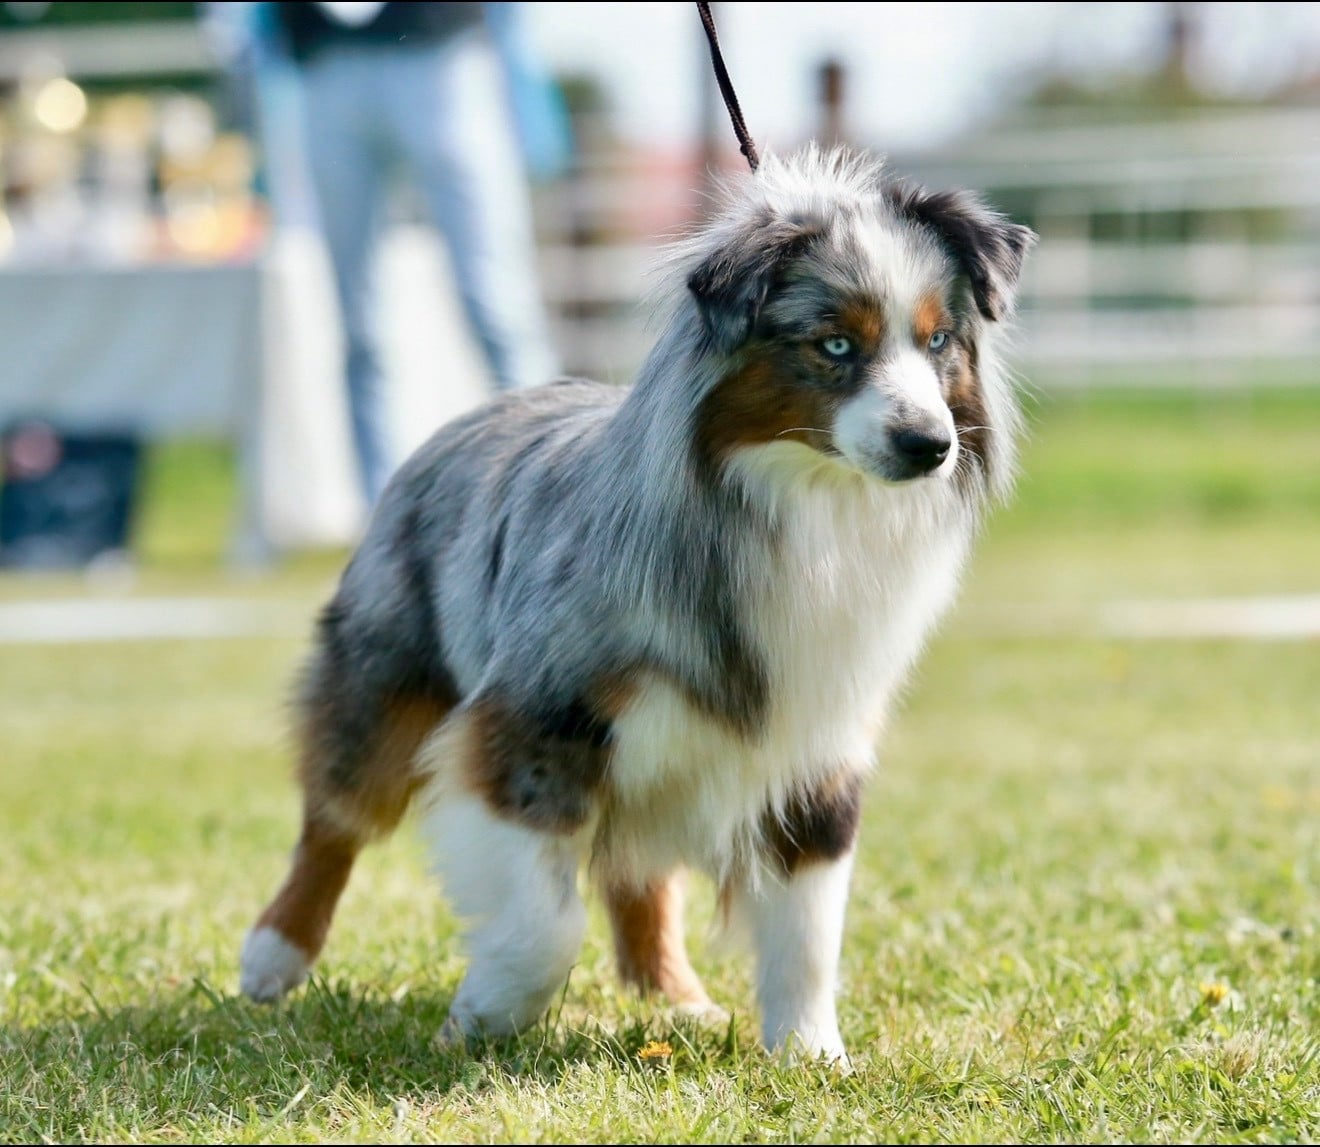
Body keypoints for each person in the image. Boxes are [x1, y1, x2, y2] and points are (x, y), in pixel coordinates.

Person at [266, 1, 568, 505]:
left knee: (497, 305)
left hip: (442, 54)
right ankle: (381, 518)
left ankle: (550, 495)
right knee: (356, 326)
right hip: (325, 64)